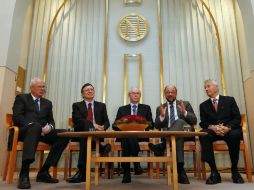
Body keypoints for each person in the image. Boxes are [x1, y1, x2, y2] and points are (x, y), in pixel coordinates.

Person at [12, 77, 69, 189]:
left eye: (44, 87)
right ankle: (24, 173)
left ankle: (44, 171)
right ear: (31, 87)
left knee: (64, 134)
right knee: (35, 127)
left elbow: (51, 120)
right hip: (25, 131)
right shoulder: (22, 98)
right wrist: (34, 126)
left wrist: (50, 127)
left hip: (43, 132)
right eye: (40, 86)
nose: (43, 89)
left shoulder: (47, 103)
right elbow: (17, 117)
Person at [148, 84, 197, 184]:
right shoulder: (160, 108)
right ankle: (180, 170)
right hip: (175, 136)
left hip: (186, 133)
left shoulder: (185, 104)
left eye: (172, 92)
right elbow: (157, 126)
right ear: (164, 94)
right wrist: (161, 116)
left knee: (179, 122)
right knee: (177, 137)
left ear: (176, 93)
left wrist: (184, 112)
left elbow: (194, 120)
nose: (170, 94)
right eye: (168, 92)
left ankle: (162, 146)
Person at [199, 79, 244, 184]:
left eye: (208, 86)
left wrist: (227, 127)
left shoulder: (230, 100)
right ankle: (214, 172)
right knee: (203, 134)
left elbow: (237, 118)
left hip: (229, 130)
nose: (206, 89)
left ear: (216, 87)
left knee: (235, 135)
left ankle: (234, 170)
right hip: (213, 131)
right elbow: (203, 123)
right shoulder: (203, 105)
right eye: (205, 87)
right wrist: (212, 127)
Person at [66, 83, 111, 183]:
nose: (90, 91)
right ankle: (102, 147)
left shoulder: (101, 106)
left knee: (86, 137)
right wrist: (93, 125)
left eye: (92, 89)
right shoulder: (77, 105)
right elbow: (76, 119)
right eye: (87, 90)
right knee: (85, 124)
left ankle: (82, 172)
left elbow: (107, 121)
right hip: (80, 133)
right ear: (82, 94)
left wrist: (103, 127)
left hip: (97, 134)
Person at [113, 87, 154, 183]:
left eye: (137, 93)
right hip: (125, 137)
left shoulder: (146, 108)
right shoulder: (122, 109)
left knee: (129, 136)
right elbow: (114, 125)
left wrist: (141, 125)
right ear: (129, 95)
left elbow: (151, 124)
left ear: (140, 95)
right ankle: (136, 164)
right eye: (133, 93)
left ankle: (127, 172)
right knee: (128, 135)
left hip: (141, 136)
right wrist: (126, 125)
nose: (135, 95)